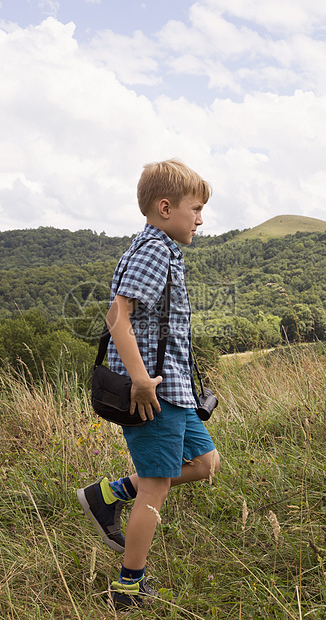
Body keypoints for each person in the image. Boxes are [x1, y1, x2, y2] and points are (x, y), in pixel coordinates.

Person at [77, 158, 220, 610]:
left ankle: (110, 493)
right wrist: (140, 380)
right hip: (153, 392)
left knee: (205, 462)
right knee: (156, 486)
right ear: (165, 208)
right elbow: (118, 316)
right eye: (194, 209)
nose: (200, 218)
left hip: (174, 390)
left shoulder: (163, 247)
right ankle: (128, 588)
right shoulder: (154, 249)